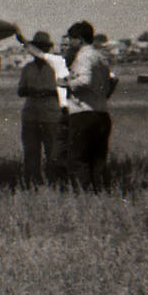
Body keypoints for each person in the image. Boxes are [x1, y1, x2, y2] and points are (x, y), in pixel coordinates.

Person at [60, 21, 116, 189]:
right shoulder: (100, 57)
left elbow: (85, 80)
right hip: (101, 113)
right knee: (98, 159)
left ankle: (83, 193)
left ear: (79, 39)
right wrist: (103, 95)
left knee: (78, 158)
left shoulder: (83, 57)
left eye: (71, 39)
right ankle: (100, 192)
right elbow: (113, 79)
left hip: (83, 114)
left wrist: (66, 84)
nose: (70, 43)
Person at [17, 31, 68, 186]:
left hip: (51, 116)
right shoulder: (27, 68)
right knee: (31, 153)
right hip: (31, 116)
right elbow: (21, 91)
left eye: (43, 47)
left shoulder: (57, 67)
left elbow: (65, 89)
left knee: (53, 152)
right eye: (38, 47)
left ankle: (55, 183)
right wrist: (32, 91)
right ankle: (33, 184)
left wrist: (48, 92)